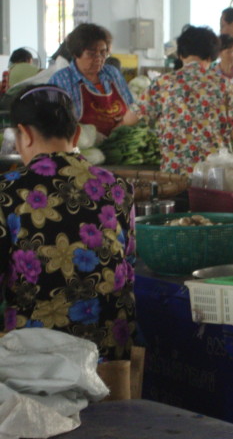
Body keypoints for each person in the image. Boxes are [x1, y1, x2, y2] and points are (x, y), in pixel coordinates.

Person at [0, 84, 136, 360]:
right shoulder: (118, 186)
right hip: (109, 351)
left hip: (38, 357)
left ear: (24, 134)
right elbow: (128, 259)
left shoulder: (7, 192)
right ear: (76, 133)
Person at [121, 25, 233, 176]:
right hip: (214, 173)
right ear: (211, 56)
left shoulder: (163, 83)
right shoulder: (224, 84)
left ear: (181, 55)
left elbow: (130, 119)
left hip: (176, 173)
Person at [48, 23, 134, 137]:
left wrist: (123, 123)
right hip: (83, 148)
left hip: (118, 143)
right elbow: (53, 122)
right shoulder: (61, 80)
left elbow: (131, 106)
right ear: (76, 53)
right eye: (91, 54)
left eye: (103, 53)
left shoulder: (112, 74)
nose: (98, 58)